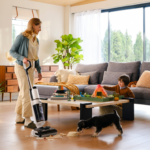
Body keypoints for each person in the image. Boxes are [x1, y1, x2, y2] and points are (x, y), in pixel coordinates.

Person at [10, 18, 42, 129]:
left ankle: (19, 117)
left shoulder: (36, 40)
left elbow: (36, 56)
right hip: (21, 67)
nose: (40, 29)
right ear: (33, 25)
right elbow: (12, 51)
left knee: (23, 92)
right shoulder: (21, 37)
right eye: (39, 27)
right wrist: (22, 57)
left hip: (31, 67)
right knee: (27, 92)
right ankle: (27, 120)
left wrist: (39, 70)